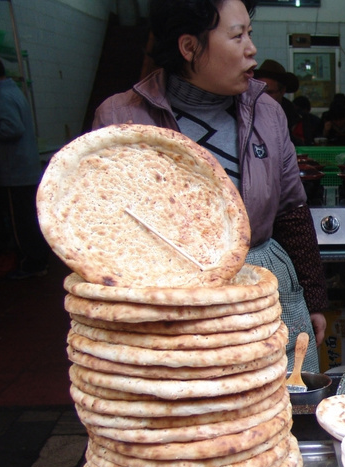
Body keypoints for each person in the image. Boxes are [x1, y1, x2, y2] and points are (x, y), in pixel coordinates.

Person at [92, 0, 327, 372]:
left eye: (249, 33)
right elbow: (106, 232)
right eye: (237, 36)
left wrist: (313, 300)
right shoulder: (122, 119)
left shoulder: (268, 112)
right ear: (189, 48)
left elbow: (291, 210)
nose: (251, 48)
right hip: (171, 303)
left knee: (281, 406)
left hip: (265, 289)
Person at [0, 46, 49, 279]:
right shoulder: (11, 90)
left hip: (14, 172)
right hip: (24, 169)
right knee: (29, 219)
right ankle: (38, 259)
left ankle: (32, 264)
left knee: (21, 223)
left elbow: (13, 127)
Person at [254, 58, 299, 130]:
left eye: (269, 92)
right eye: (259, 91)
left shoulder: (290, 113)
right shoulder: (246, 108)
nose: (262, 97)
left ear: (282, 91)